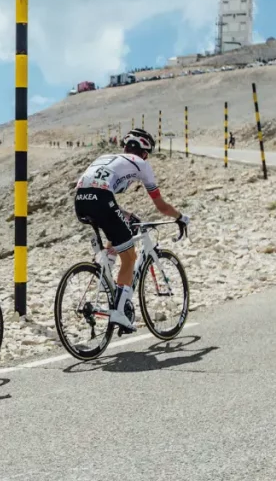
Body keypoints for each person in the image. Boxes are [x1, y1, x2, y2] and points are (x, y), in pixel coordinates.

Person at [73, 128, 190, 334]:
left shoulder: (107, 157)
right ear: (145, 152)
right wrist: (180, 217)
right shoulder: (142, 164)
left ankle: (105, 280)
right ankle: (118, 311)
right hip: (101, 200)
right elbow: (160, 206)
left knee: (116, 234)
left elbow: (102, 195)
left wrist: (127, 216)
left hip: (80, 200)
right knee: (130, 257)